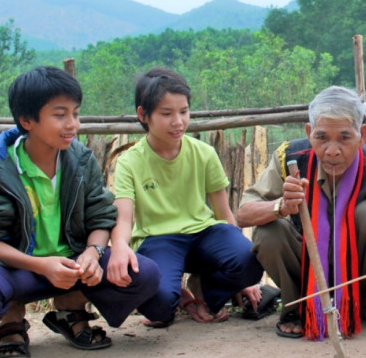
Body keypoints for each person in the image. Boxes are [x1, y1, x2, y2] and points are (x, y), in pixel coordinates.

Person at [0, 66, 161, 358]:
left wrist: (92, 251)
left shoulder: (79, 160)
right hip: (17, 268)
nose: (72, 124)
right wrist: (41, 265)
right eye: (59, 115)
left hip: (71, 264)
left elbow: (100, 217)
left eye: (75, 113)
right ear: (27, 120)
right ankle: (12, 317)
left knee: (144, 274)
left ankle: (69, 307)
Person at [236, 86, 366, 340]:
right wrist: (280, 206)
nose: (332, 150)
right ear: (309, 132)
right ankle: (297, 308)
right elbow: (243, 214)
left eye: (345, 138)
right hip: (304, 264)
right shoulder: (289, 159)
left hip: (356, 270)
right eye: (322, 137)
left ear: (362, 135)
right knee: (269, 230)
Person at [108, 67, 264, 327]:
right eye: (166, 114)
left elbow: (224, 214)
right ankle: (179, 298)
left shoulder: (203, 153)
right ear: (142, 114)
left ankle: (206, 293)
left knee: (249, 259)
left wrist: (243, 278)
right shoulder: (129, 162)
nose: (178, 121)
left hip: (204, 234)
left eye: (183, 111)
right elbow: (124, 219)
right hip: (158, 240)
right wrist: (120, 248)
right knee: (158, 308)